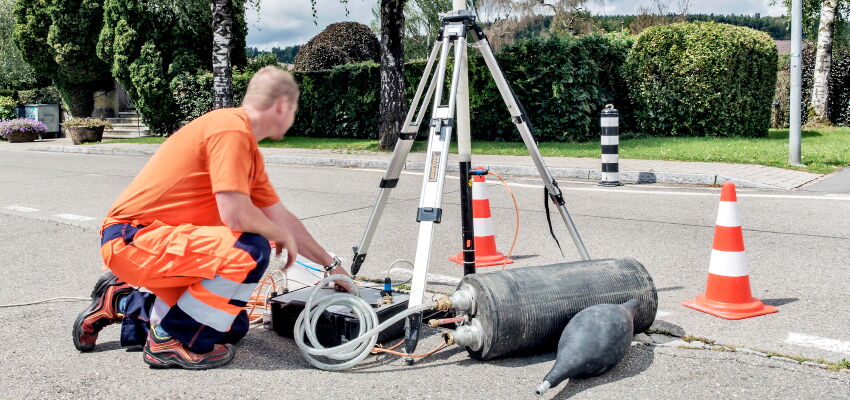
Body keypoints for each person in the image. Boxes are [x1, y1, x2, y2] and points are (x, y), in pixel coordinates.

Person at [72, 66, 348, 369]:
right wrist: (279, 235)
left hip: (162, 244)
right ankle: (169, 340)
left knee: (231, 327)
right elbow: (236, 215)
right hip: (133, 238)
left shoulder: (245, 147)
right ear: (282, 106)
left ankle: (122, 301)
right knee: (250, 248)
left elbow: (283, 219)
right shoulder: (230, 130)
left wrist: (331, 266)